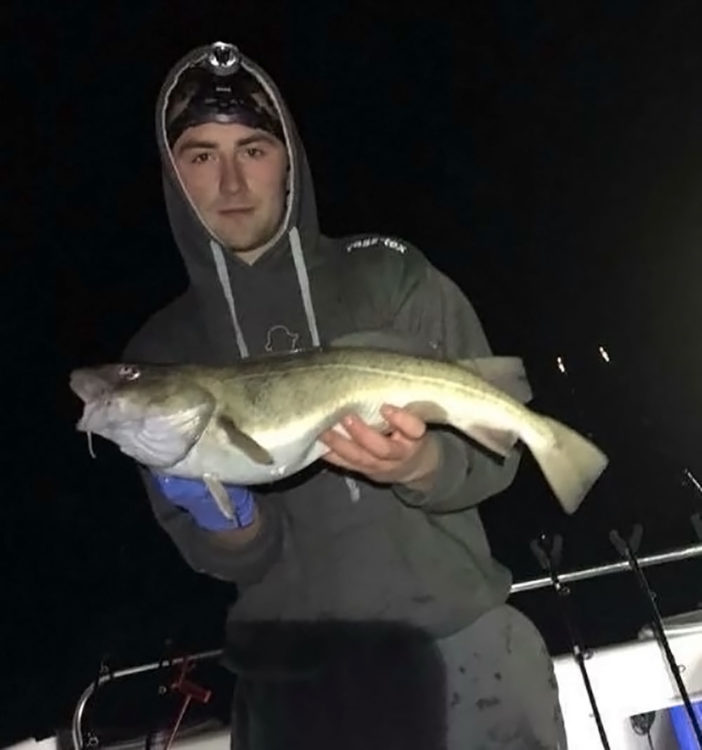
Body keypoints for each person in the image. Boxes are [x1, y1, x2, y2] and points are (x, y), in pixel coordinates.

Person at [124, 41, 567, 749]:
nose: (232, 182)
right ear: (173, 174)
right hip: (293, 693)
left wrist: (420, 468)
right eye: (202, 156)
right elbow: (234, 559)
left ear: (290, 157)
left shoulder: (390, 276)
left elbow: (499, 455)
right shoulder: (159, 357)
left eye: (255, 149)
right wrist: (226, 517)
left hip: (464, 649)